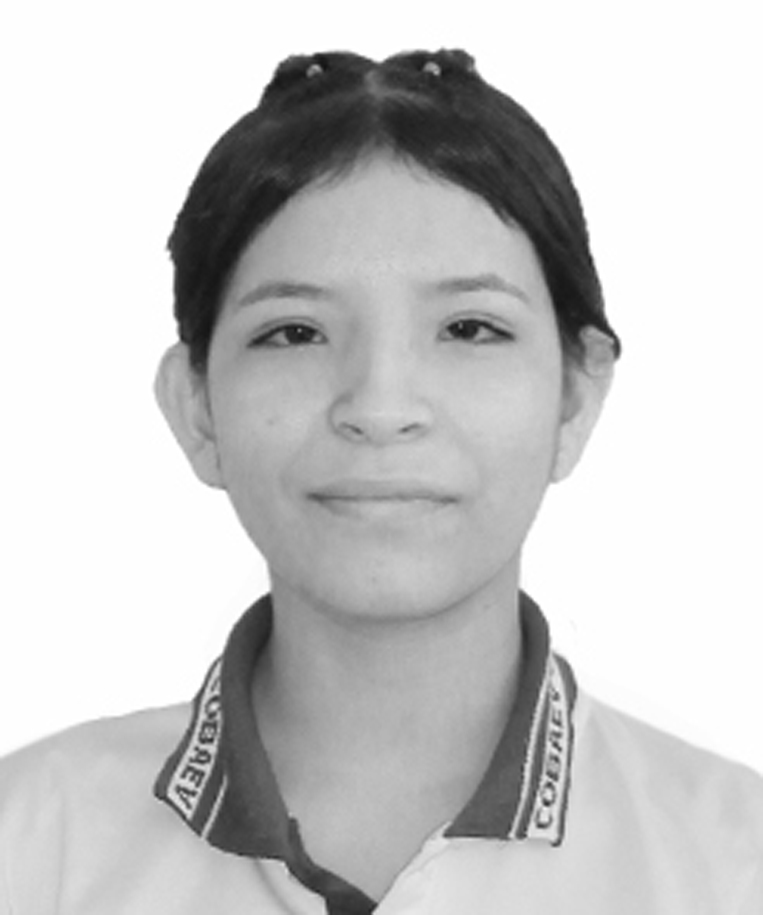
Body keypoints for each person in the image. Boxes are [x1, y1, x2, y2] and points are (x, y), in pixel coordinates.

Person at [1, 48, 760, 915]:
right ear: (198, 408)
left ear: (575, 396)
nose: (379, 406)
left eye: (468, 328)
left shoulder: (735, 866)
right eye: (294, 332)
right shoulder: (28, 849)